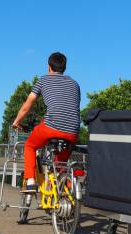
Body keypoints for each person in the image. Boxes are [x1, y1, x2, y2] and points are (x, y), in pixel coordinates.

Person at [12, 52, 80, 193]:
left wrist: (17, 122)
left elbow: (27, 105)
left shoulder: (43, 80)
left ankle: (30, 181)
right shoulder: (75, 84)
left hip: (51, 127)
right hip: (73, 130)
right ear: (64, 68)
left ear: (49, 67)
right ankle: (61, 185)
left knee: (30, 145)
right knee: (60, 162)